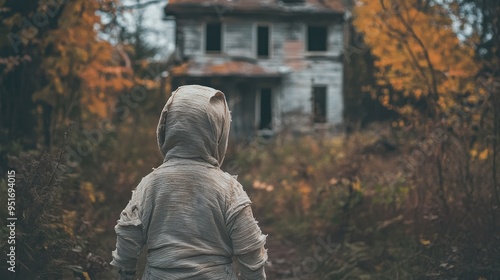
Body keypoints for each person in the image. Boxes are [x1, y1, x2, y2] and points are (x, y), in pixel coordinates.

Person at [111, 85, 268, 279]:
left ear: (167, 127)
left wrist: (125, 275)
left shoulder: (150, 185)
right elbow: (251, 251)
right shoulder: (228, 189)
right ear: (218, 131)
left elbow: (127, 239)